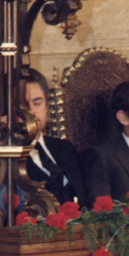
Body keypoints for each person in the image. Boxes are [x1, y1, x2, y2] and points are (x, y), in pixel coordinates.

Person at [24, 68, 85, 205]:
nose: (32, 111)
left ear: (46, 106)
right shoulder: (9, 158)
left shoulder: (63, 147)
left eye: (37, 103)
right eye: (24, 105)